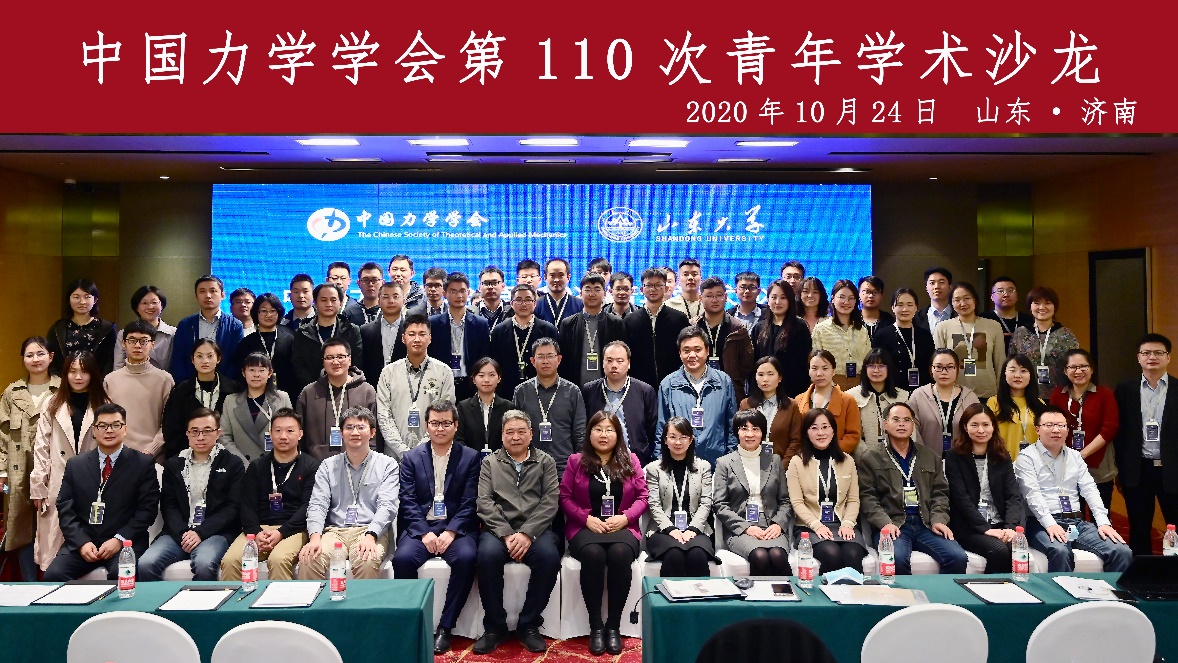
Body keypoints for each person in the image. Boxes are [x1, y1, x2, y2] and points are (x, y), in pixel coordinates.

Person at [393, 400, 482, 654]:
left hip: (456, 528)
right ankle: (411, 622)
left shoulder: (470, 457)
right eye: (435, 423)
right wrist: (425, 532)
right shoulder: (411, 458)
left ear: (455, 425)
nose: (440, 428)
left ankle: (446, 627)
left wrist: (451, 531)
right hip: (421, 527)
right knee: (402, 559)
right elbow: (407, 500)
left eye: (445, 423)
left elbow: (470, 501)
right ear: (426, 425)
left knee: (467, 558)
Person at [474, 409, 561, 655]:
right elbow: (484, 502)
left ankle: (529, 625)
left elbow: (550, 501)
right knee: (486, 556)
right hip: (499, 530)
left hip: (536, 530)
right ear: (502, 435)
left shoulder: (545, 461)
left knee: (549, 557)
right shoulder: (490, 462)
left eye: (521, 431)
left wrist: (527, 533)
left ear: (531, 433)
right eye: (510, 432)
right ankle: (495, 627)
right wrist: (505, 533)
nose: (515, 437)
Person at [559, 411, 647, 655]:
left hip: (622, 527)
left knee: (620, 554)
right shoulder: (576, 461)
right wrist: (585, 518)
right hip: (585, 527)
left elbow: (643, 497)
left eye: (609, 430)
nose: (604, 435)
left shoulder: (630, 460)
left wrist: (625, 517)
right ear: (589, 433)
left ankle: (614, 626)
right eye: (598, 429)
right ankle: (596, 626)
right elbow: (564, 497)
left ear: (618, 434)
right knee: (593, 554)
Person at [43, 403, 161, 581]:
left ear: (125, 429)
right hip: (84, 542)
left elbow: (147, 510)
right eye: (103, 426)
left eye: (116, 425)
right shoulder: (76, 465)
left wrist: (119, 539)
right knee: (53, 576)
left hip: (125, 542)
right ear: (94, 430)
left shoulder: (142, 464)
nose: (109, 430)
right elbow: (65, 508)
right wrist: (82, 542)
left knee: (121, 576)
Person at [1015, 405, 1132, 572]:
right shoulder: (1027, 457)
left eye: (1061, 425)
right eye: (1049, 425)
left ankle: (1111, 590)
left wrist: (1103, 522)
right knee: (1060, 551)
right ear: (1037, 429)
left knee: (1121, 551)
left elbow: (1090, 489)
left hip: (1076, 522)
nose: (1056, 430)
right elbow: (1032, 495)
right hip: (1040, 522)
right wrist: (1050, 524)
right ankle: (1061, 590)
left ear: (1067, 430)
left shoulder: (1075, 456)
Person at [858, 402, 968, 575]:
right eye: (896, 419)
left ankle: (940, 593)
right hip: (893, 524)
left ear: (913, 425)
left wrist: (939, 519)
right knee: (896, 558)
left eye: (907, 420)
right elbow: (868, 497)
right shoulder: (871, 458)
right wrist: (885, 523)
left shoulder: (929, 456)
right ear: (885, 424)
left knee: (958, 557)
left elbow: (940, 493)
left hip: (926, 524)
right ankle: (906, 594)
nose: (902, 424)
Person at [139, 408, 244, 580]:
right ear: (187, 434)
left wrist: (200, 532)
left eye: (207, 431)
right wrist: (183, 533)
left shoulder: (233, 463)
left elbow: (233, 507)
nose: (200, 437)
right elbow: (169, 505)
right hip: (178, 533)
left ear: (218, 433)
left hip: (216, 533)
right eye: (195, 431)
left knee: (204, 563)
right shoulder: (174, 464)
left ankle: (199, 599)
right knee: (146, 564)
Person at [299, 406, 399, 580]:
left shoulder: (387, 465)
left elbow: (387, 506)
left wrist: (371, 536)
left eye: (361, 427)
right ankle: (317, 600)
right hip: (334, 531)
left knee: (367, 559)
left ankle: (361, 600)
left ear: (372, 432)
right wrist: (315, 538)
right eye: (349, 427)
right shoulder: (327, 466)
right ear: (341, 433)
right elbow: (317, 505)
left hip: (369, 529)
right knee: (310, 560)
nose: (355, 432)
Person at [221, 407, 319, 582]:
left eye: (290, 431)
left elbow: (308, 507)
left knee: (279, 559)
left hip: (293, 530)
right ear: (270, 434)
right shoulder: (257, 466)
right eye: (278, 431)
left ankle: (280, 600)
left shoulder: (311, 466)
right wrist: (256, 532)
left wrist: (281, 532)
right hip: (260, 529)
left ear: (300, 434)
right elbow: (247, 506)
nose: (283, 436)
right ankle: (237, 600)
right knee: (230, 561)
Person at [30, 352, 107, 571]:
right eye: (73, 371)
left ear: (93, 374)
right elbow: (41, 447)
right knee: (54, 541)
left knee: (89, 537)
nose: (78, 377)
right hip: (57, 478)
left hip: (93, 479)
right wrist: (38, 486)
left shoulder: (104, 404)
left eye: (84, 371)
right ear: (65, 374)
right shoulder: (52, 403)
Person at [0, 337, 60, 580]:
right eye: (29, 355)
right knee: (21, 525)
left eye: (40, 353)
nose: (35, 359)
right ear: (23, 359)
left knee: (53, 522)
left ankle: (52, 579)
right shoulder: (11, 392)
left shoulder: (62, 388)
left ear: (51, 357)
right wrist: (2, 471)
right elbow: (2, 435)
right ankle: (29, 582)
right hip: (18, 468)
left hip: (52, 467)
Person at [1114, 333, 1178, 556]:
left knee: (1175, 528)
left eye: (1158, 352)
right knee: (1139, 528)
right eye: (1146, 353)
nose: (1152, 357)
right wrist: (1120, 469)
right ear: (1138, 357)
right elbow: (1120, 433)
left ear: (1168, 357)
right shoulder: (1125, 390)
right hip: (1138, 469)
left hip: (1172, 469)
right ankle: (1142, 572)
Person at [786, 408, 868, 573]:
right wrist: (817, 525)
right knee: (831, 554)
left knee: (853, 554)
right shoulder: (796, 462)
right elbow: (797, 502)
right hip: (809, 527)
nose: (820, 433)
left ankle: (853, 591)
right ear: (806, 432)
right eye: (814, 428)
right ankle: (828, 590)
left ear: (833, 430)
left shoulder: (847, 461)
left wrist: (848, 523)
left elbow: (853, 500)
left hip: (843, 524)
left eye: (825, 427)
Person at [713, 410, 793, 576]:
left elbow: (785, 500)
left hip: (771, 525)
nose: (750, 434)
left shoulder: (774, 460)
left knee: (777, 555)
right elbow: (720, 505)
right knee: (760, 556)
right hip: (740, 527)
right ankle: (759, 593)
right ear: (737, 432)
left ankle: (787, 592)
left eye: (755, 429)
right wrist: (746, 527)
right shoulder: (724, 463)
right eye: (744, 428)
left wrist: (778, 524)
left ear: (762, 432)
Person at [946, 405, 1023, 575]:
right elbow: (961, 498)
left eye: (986, 425)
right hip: (969, 527)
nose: (981, 430)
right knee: (999, 550)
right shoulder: (954, 456)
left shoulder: (1002, 456)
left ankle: (1011, 588)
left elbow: (1013, 496)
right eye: (974, 425)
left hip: (999, 524)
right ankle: (990, 588)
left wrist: (1010, 527)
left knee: (1016, 548)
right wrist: (984, 528)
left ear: (993, 427)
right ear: (965, 427)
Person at [643, 417, 717, 579]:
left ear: (691, 439)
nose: (678, 442)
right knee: (674, 554)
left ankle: (700, 594)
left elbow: (706, 502)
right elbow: (654, 504)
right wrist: (671, 529)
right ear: (665, 440)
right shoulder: (654, 469)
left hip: (696, 529)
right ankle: (670, 595)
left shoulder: (703, 467)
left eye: (683, 437)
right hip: (662, 529)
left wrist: (693, 529)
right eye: (673, 437)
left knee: (697, 554)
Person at [1050, 349, 1120, 514]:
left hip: (1099, 465)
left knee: (1100, 515)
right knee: (1073, 516)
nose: (1078, 371)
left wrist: (1081, 455)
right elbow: (1053, 427)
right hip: (1066, 466)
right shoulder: (1058, 395)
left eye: (1083, 366)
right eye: (1073, 367)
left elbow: (1110, 429)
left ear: (1092, 369)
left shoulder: (1104, 394)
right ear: (1065, 371)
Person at [377, 313, 456, 459]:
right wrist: (402, 450)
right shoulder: (388, 372)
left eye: (422, 334)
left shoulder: (444, 372)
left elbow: (445, 415)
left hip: (432, 454)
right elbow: (384, 416)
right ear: (403, 338)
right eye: (412, 334)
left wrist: (420, 451)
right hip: (394, 455)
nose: (417, 339)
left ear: (430, 338)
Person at [656, 327, 737, 465]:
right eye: (686, 350)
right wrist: (661, 462)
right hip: (679, 463)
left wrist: (729, 462)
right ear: (679, 353)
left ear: (707, 351)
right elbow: (661, 427)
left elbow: (732, 426)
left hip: (716, 462)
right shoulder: (668, 384)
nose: (692, 355)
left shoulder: (723, 381)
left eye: (697, 350)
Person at [513, 337, 587, 476]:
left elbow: (580, 432)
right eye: (540, 357)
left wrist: (578, 465)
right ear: (532, 361)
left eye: (550, 356)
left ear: (559, 359)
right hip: (529, 467)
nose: (545, 361)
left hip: (564, 467)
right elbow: (516, 430)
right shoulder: (521, 391)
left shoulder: (573, 391)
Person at [296, 339, 380, 461]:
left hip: (358, 462)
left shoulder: (366, 391)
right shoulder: (309, 393)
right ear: (323, 362)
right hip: (317, 464)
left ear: (349, 359)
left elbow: (375, 434)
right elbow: (300, 434)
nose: (335, 362)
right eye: (329, 358)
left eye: (340, 357)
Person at [103, 321, 175, 459]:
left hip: (153, 457)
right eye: (132, 340)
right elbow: (105, 420)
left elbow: (169, 422)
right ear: (124, 344)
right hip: (117, 455)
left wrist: (151, 451)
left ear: (152, 345)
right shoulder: (110, 380)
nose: (137, 345)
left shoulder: (164, 380)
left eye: (143, 341)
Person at [162, 339, 241, 459]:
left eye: (210, 356)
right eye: (199, 356)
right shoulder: (181, 391)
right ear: (192, 360)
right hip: (188, 457)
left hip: (227, 457)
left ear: (218, 359)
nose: (205, 361)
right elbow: (171, 429)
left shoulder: (234, 389)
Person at [582, 341, 658, 464]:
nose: (614, 365)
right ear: (602, 363)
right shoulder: (589, 390)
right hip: (597, 461)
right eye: (609, 360)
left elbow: (652, 430)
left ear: (629, 363)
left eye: (620, 361)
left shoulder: (645, 391)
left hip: (635, 461)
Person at [935, 282, 1006, 400]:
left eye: (967, 298)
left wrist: (1001, 394)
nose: (962, 303)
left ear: (975, 300)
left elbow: (1000, 363)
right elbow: (939, 365)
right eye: (957, 300)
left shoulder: (993, 326)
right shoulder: (943, 328)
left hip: (988, 394)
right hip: (954, 395)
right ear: (951, 303)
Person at [428, 272, 491, 401]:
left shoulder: (480, 324)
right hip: (441, 385)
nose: (459, 296)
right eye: (453, 291)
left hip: (471, 385)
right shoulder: (433, 324)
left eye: (462, 291)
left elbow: (484, 358)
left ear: (468, 292)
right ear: (444, 293)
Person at [219, 353, 293, 463]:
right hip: (240, 465)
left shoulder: (282, 398)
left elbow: (290, 432)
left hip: (274, 463)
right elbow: (224, 436)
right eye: (252, 370)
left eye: (262, 370)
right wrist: (241, 463)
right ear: (243, 373)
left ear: (270, 373)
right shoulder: (230, 401)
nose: (256, 375)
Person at [624, 268, 690, 390]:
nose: (653, 289)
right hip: (639, 385)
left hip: (674, 384)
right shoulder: (630, 320)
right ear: (642, 289)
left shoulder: (679, 318)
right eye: (649, 285)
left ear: (666, 288)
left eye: (658, 285)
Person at [290, 283, 363, 394]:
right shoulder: (302, 332)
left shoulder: (352, 330)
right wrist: (314, 388)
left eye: (333, 300)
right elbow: (299, 365)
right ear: (315, 303)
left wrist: (343, 385)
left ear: (341, 303)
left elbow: (356, 362)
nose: (329, 304)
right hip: (313, 393)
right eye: (323, 300)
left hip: (346, 391)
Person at [488, 284, 559, 398]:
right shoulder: (499, 331)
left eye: (528, 300)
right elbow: (494, 363)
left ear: (535, 303)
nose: (523, 304)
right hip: (507, 391)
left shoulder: (548, 330)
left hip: (541, 390)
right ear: (511, 304)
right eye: (518, 300)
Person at [909, 349, 982, 458]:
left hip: (963, 460)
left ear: (957, 369)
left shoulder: (970, 397)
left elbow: (978, 430)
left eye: (950, 367)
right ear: (931, 369)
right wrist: (922, 457)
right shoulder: (918, 396)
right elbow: (913, 431)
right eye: (938, 367)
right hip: (926, 460)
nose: (944, 372)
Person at [171, 275, 244, 381]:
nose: (208, 296)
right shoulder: (185, 324)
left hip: (225, 386)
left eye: (213, 291)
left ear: (222, 295)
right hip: (190, 385)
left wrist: (225, 385)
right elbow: (178, 359)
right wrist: (187, 385)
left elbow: (236, 361)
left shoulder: (235, 325)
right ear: (196, 296)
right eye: (202, 291)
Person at [557, 272, 624, 387]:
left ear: (604, 293)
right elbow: (563, 361)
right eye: (587, 289)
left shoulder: (616, 323)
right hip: (575, 387)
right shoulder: (568, 324)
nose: (592, 294)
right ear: (580, 293)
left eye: (597, 289)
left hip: (608, 386)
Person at [751, 279, 812, 398]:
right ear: (767, 299)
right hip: (763, 392)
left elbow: (803, 365)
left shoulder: (799, 327)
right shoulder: (759, 328)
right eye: (773, 297)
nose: (778, 302)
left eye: (783, 298)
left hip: (792, 392)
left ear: (790, 300)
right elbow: (754, 363)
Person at [699, 276, 755, 404]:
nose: (714, 300)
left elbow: (747, 363)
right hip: (699, 389)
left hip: (730, 391)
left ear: (725, 297)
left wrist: (736, 380)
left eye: (719, 295)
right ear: (701, 298)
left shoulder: (738, 329)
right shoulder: (694, 327)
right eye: (709, 296)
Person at [1011, 286, 1080, 389]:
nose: (1042, 307)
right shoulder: (1020, 333)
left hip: (1060, 392)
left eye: (1047, 303)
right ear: (1030, 307)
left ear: (1055, 307)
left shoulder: (1066, 334)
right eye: (1037, 303)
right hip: (1026, 391)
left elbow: (1076, 366)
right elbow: (1011, 364)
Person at [740, 357, 803, 469]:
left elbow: (796, 440)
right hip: (751, 466)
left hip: (782, 467)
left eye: (770, 374)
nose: (765, 379)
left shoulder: (791, 405)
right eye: (760, 374)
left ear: (780, 378)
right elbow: (740, 435)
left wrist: (781, 467)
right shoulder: (746, 404)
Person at [232, 292, 298, 398]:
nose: (268, 315)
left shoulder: (289, 339)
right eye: (263, 311)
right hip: (253, 395)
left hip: (286, 395)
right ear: (256, 313)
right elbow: (239, 372)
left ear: (279, 313)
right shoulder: (247, 342)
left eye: (273, 311)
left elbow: (296, 370)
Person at [47, 278, 116, 376]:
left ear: (95, 300)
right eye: (76, 297)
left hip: (98, 383)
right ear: (69, 300)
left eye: (87, 297)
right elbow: (51, 361)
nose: (82, 302)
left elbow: (110, 363)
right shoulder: (58, 329)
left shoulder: (107, 329)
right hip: (64, 383)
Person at [796, 350, 861, 455]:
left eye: (825, 368)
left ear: (833, 371)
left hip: (837, 457)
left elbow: (853, 435)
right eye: (814, 368)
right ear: (809, 371)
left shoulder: (848, 401)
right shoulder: (798, 400)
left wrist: (830, 452)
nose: (819, 373)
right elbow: (795, 435)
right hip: (806, 457)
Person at [847, 349, 911, 453]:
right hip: (861, 456)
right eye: (871, 366)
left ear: (889, 368)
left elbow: (910, 431)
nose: (876, 370)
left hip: (897, 455)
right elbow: (850, 433)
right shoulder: (851, 396)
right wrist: (867, 457)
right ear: (865, 369)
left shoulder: (903, 396)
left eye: (881, 366)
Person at [813, 279, 872, 391]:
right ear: (833, 298)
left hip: (859, 385)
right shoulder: (821, 329)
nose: (846, 302)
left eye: (851, 298)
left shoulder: (862, 330)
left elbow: (868, 361)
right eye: (842, 297)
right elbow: (815, 363)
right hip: (830, 385)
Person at [872, 288, 935, 389]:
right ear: (893, 307)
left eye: (910, 305)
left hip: (922, 391)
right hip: (892, 391)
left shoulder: (925, 335)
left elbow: (931, 365)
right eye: (900, 305)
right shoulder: (882, 335)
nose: (905, 309)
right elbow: (875, 365)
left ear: (916, 308)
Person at [987, 354, 1048, 459]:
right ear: (1005, 373)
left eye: (1023, 371)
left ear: (1030, 375)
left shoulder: (1040, 404)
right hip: (1002, 462)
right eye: (1012, 370)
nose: (1018, 375)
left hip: (1033, 464)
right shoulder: (994, 402)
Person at [455, 357, 514, 454]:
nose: (486, 380)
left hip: (501, 460)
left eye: (492, 375)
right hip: (470, 460)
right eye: (481, 375)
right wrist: (472, 458)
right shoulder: (463, 407)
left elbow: (512, 438)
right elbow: (458, 439)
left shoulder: (508, 407)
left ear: (499, 378)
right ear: (474, 379)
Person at [113, 285, 176, 371]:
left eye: (154, 302)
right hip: (131, 378)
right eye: (144, 303)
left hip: (164, 379)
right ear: (136, 307)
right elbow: (118, 366)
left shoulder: (173, 333)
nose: (150, 307)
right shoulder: (124, 334)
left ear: (162, 305)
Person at [360, 281, 409, 387]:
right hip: (373, 387)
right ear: (378, 301)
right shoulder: (365, 331)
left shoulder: (411, 331)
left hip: (405, 386)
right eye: (386, 297)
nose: (391, 301)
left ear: (404, 301)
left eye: (396, 297)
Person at [982, 276, 1034, 355]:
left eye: (1010, 290)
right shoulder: (983, 319)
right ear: (992, 297)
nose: (1006, 294)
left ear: (1017, 296)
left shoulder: (1028, 320)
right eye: (1000, 291)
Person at [536, 258, 584, 327]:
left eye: (561, 275)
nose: (556, 280)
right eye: (552, 275)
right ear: (545, 277)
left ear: (568, 277)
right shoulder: (536, 305)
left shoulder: (580, 305)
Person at [915, 267, 956, 334]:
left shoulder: (959, 314)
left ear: (950, 287)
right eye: (932, 283)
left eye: (941, 282)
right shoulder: (917, 318)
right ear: (926, 288)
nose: (936, 286)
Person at [665, 258, 704, 324]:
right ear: (679, 280)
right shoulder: (668, 306)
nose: (690, 278)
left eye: (694, 274)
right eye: (685, 274)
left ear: (701, 279)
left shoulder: (708, 305)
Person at [326, 261, 365, 327]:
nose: (339, 282)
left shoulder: (358, 308)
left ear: (349, 281)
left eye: (343, 278)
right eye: (335, 278)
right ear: (327, 280)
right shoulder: (318, 307)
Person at [857, 276, 895, 342]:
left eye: (875, 292)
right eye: (867, 291)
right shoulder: (852, 319)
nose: (871, 296)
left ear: (881, 295)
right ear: (859, 294)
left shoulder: (889, 321)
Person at [476, 266, 511, 330]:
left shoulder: (513, 312)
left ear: (503, 286)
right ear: (479, 288)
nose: (490, 287)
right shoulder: (469, 313)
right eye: (486, 283)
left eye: (494, 283)